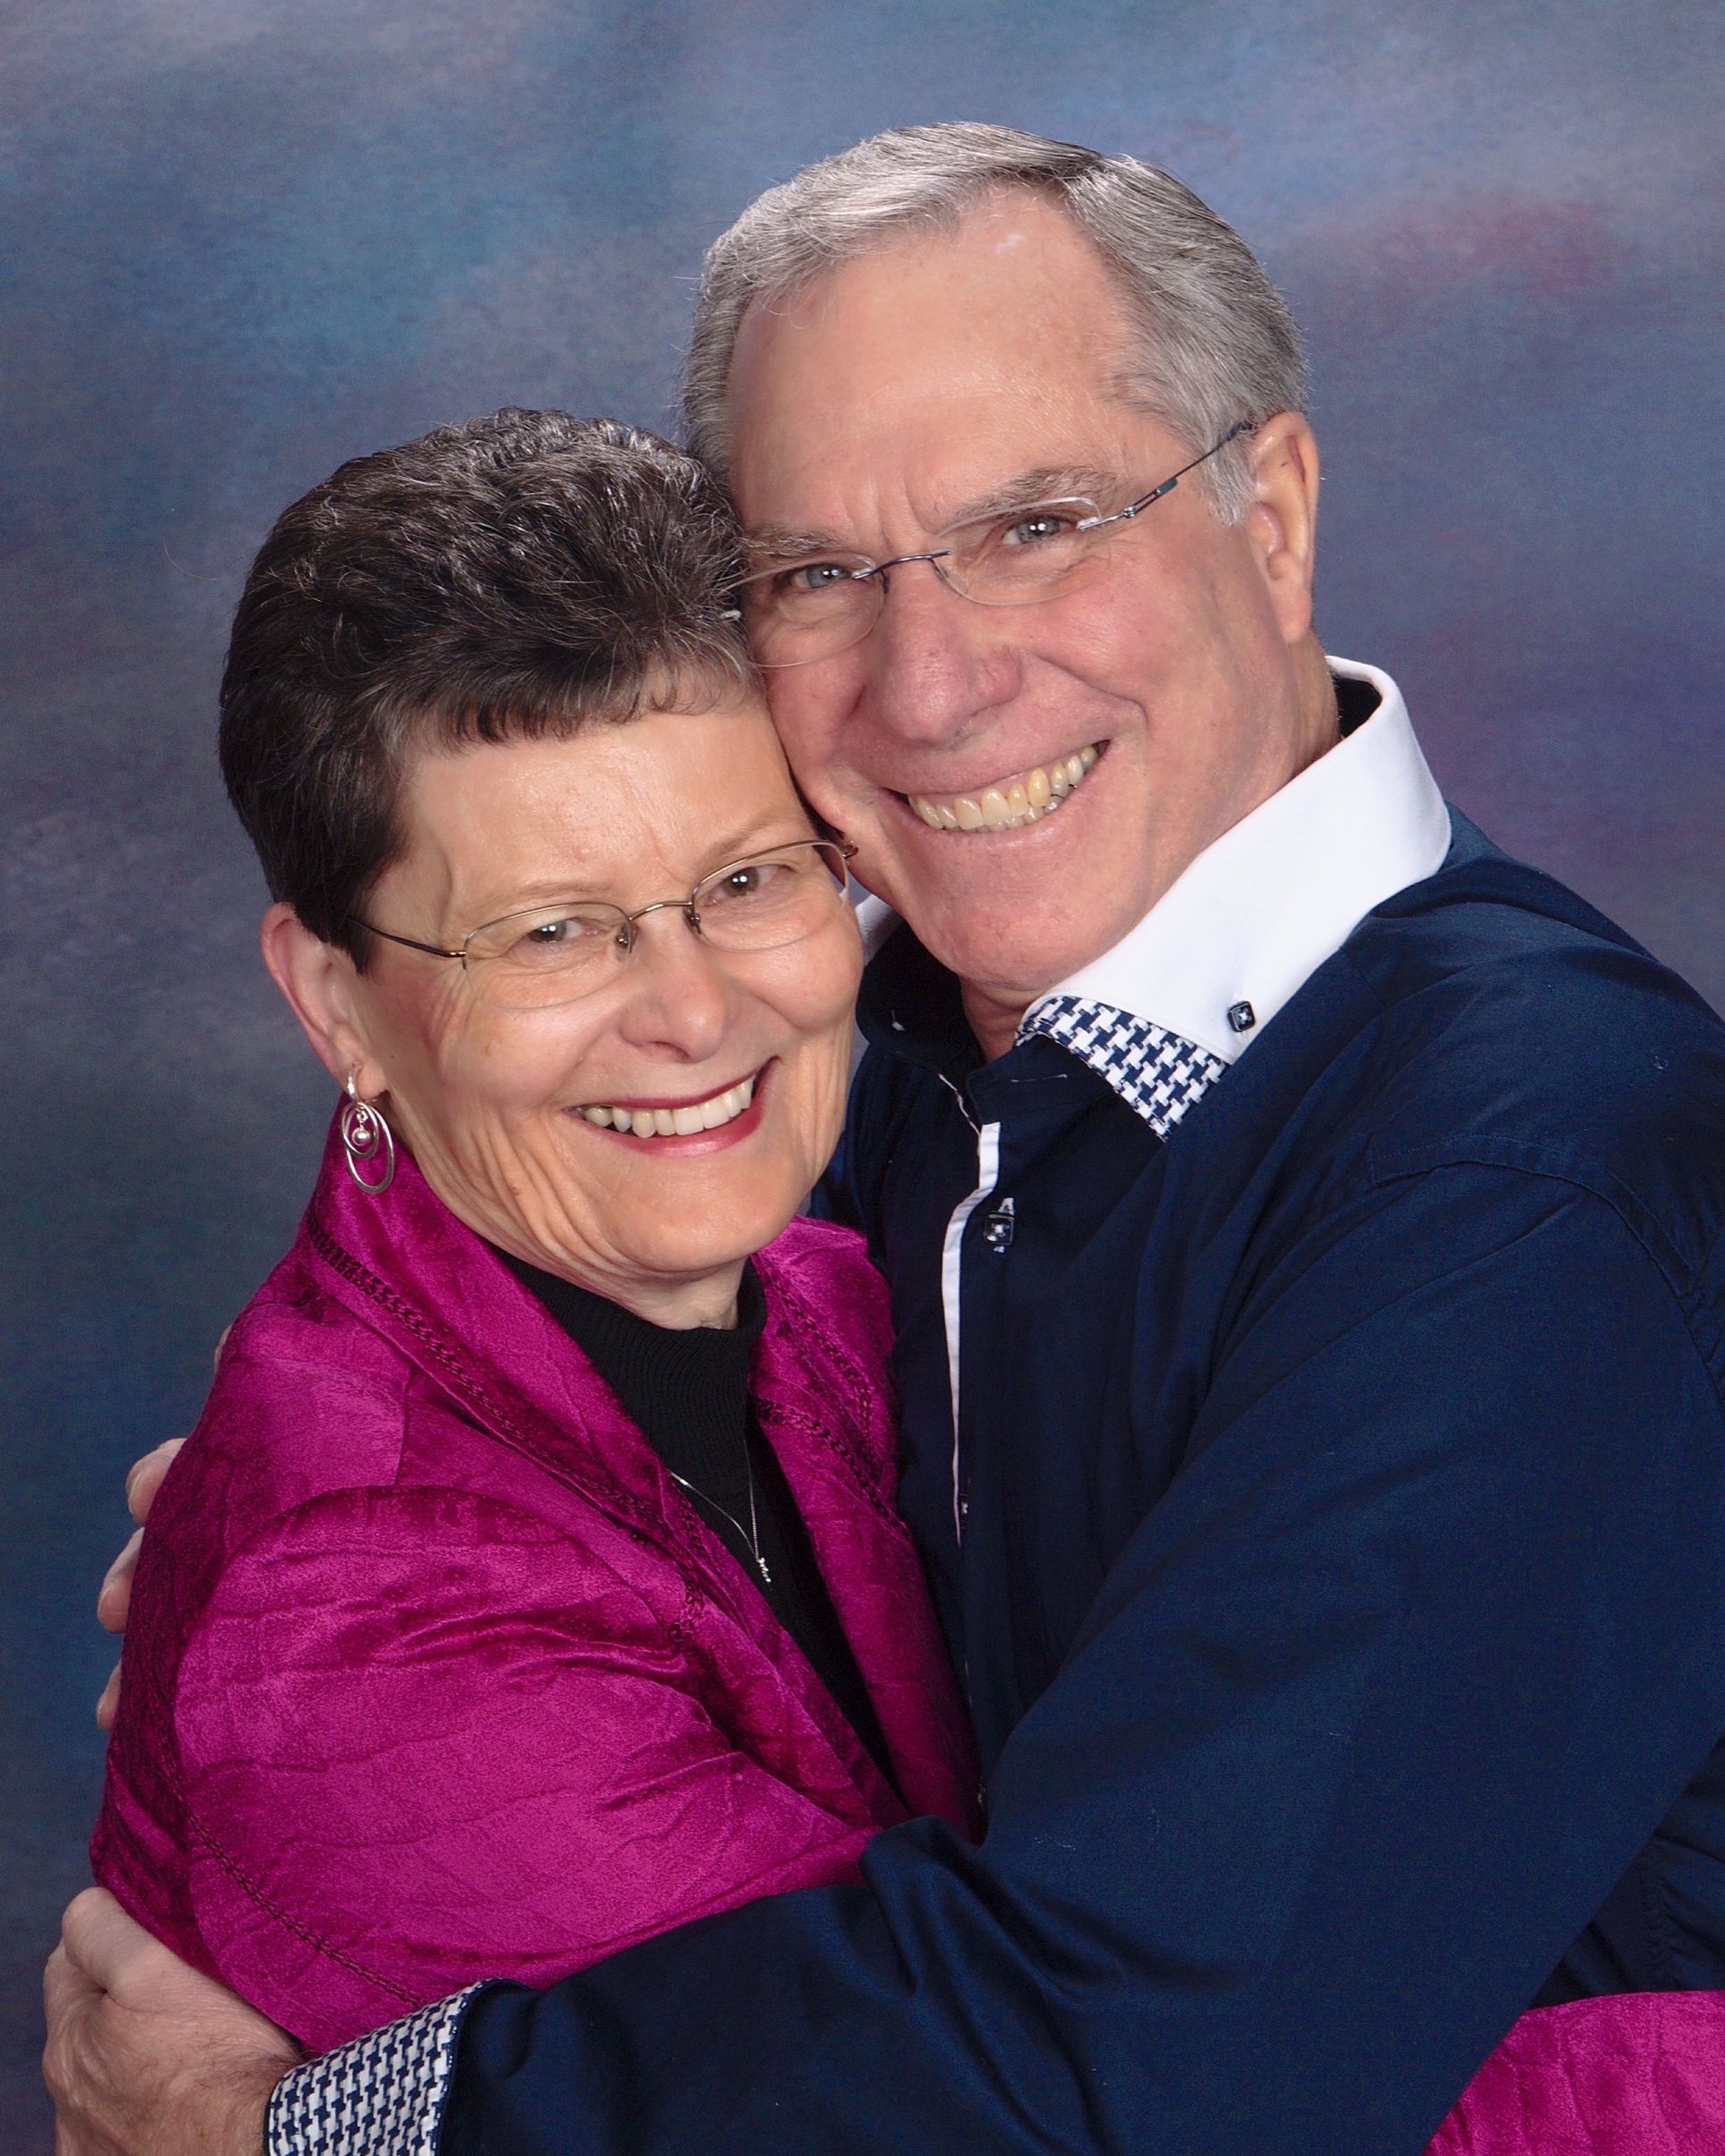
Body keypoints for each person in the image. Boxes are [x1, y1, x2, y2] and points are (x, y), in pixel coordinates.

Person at [47, 126, 1725, 2156]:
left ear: (1270, 511)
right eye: (820, 574)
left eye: (1037, 522)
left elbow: (1135, 2068)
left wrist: (298, 2136)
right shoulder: (913, 1070)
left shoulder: (1522, 1175)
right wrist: (305, 1532)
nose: (935, 684)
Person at [84, 409, 977, 2054]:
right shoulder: (358, 1619)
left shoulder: (834, 1287)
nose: (695, 1012)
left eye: (748, 881)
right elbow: (1023, 2108)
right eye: (552, 932)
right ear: (336, 1002)